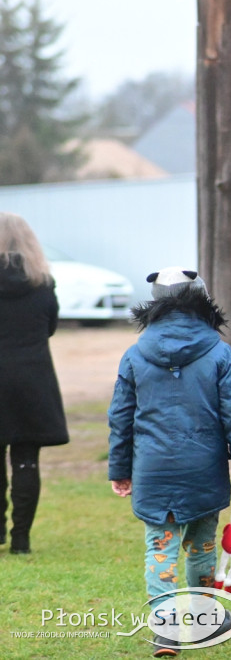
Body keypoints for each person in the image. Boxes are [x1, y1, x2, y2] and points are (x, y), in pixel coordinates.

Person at [108, 266, 231, 657]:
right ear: (201, 300)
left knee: (159, 547)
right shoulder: (217, 351)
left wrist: (120, 469)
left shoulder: (135, 354)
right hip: (203, 467)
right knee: (201, 546)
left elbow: (120, 416)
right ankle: (204, 618)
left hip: (152, 468)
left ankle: (164, 626)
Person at [0, 213, 69, 555]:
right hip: (31, 379)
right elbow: (49, 327)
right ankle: (21, 539)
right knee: (26, 459)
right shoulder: (42, 284)